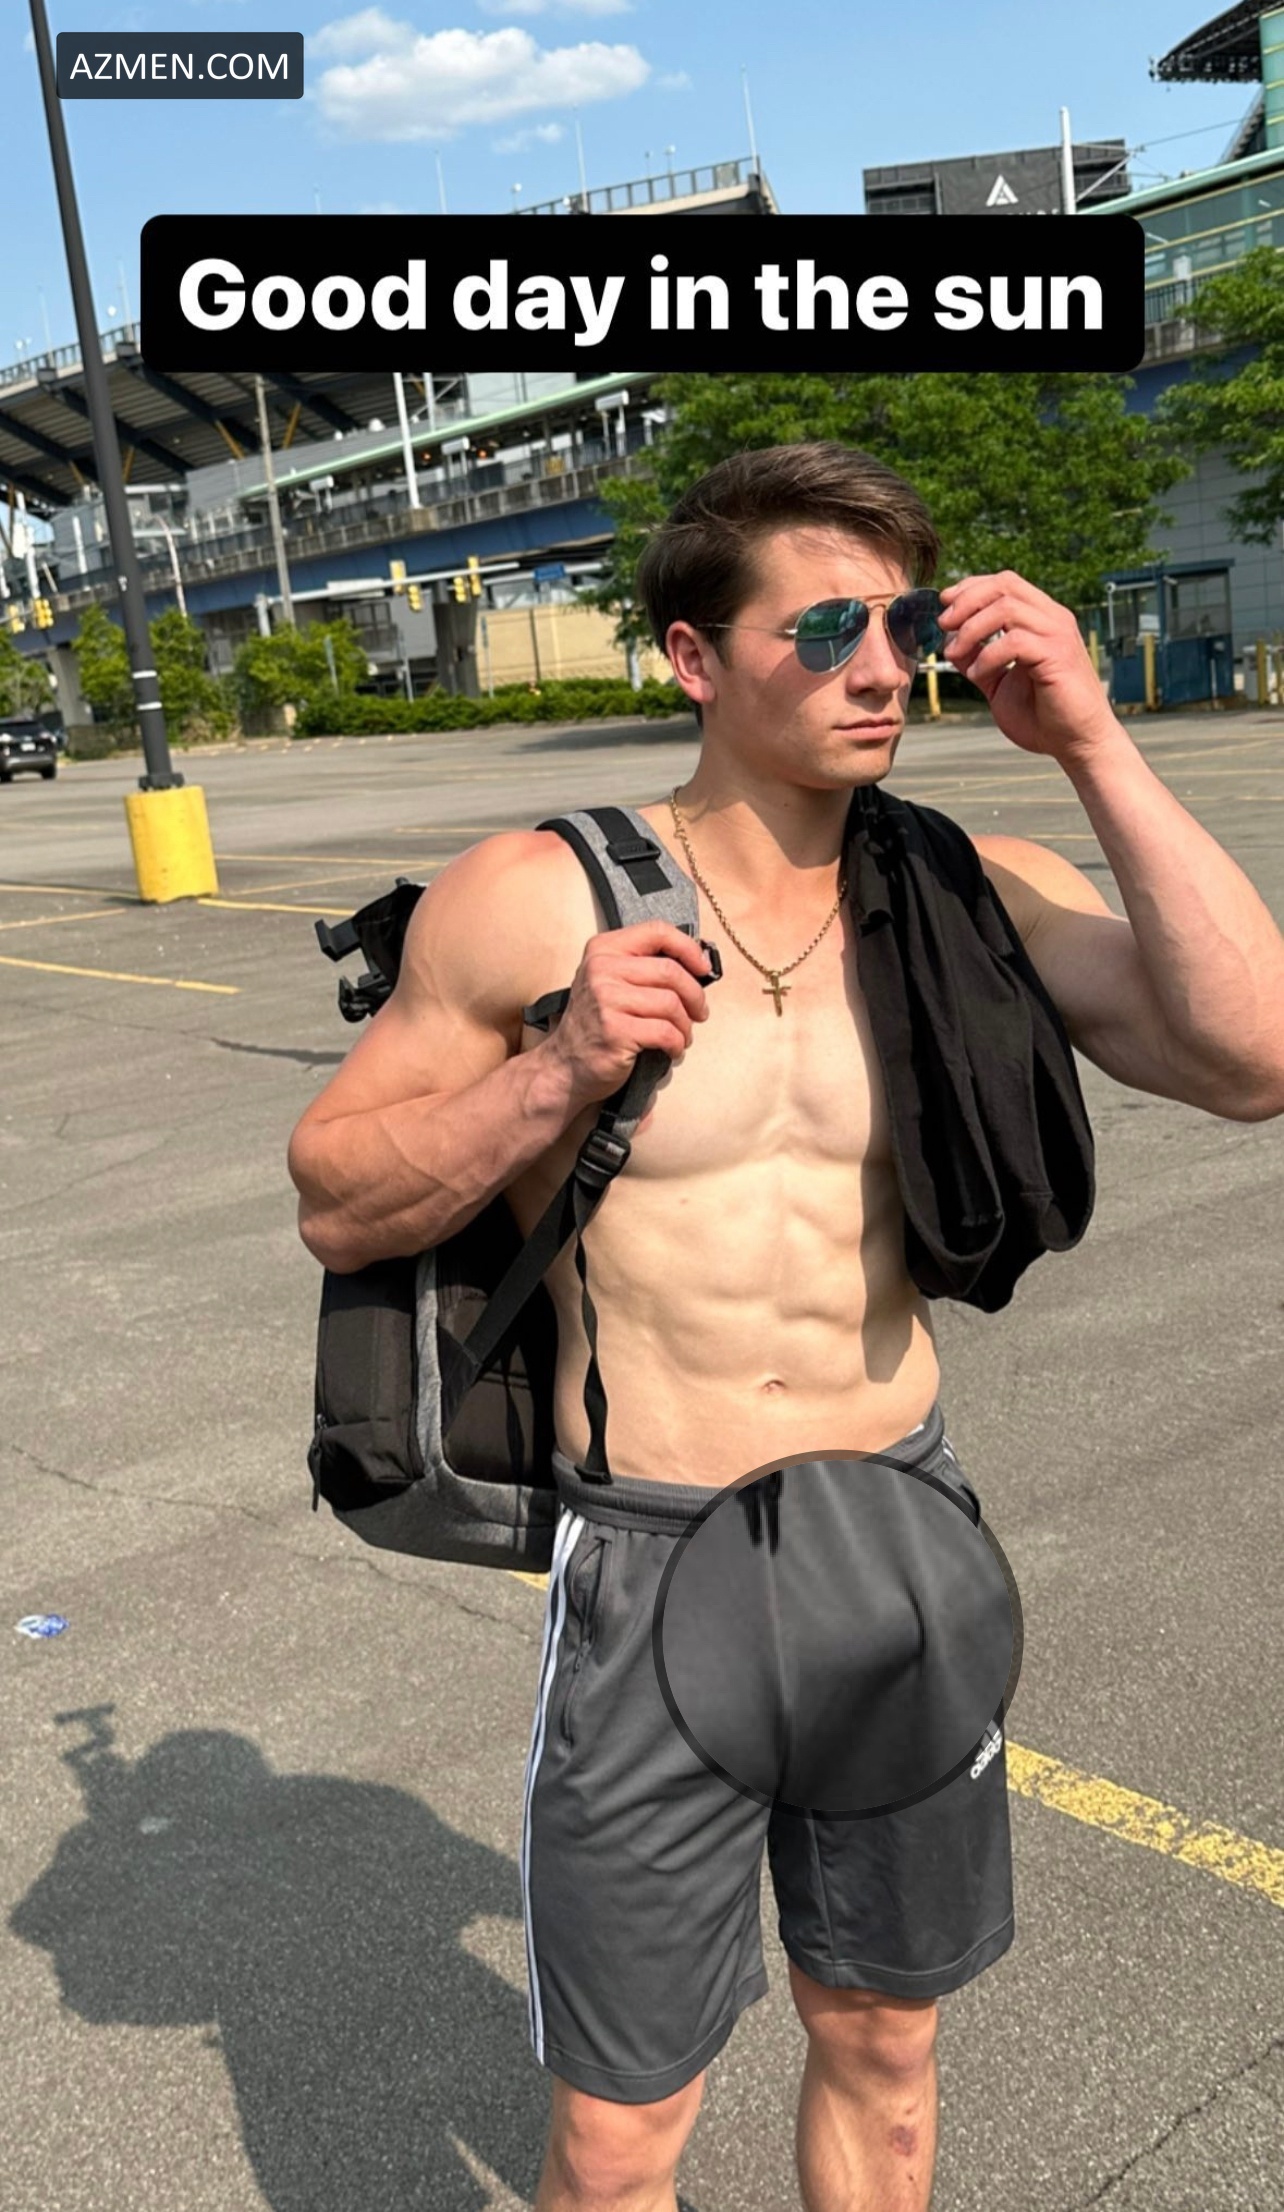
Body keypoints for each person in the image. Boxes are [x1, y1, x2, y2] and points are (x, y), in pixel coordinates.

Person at [287, 443, 1284, 2212]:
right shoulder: (534, 896)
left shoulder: (964, 882)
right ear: (693, 658)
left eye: (905, 622)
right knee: (618, 2142)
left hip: (894, 1531)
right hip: (654, 1554)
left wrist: (1093, 745)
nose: (880, 665)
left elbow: (1251, 1058)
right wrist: (557, 1073)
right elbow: (338, 1197)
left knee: (886, 2045)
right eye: (825, 629)